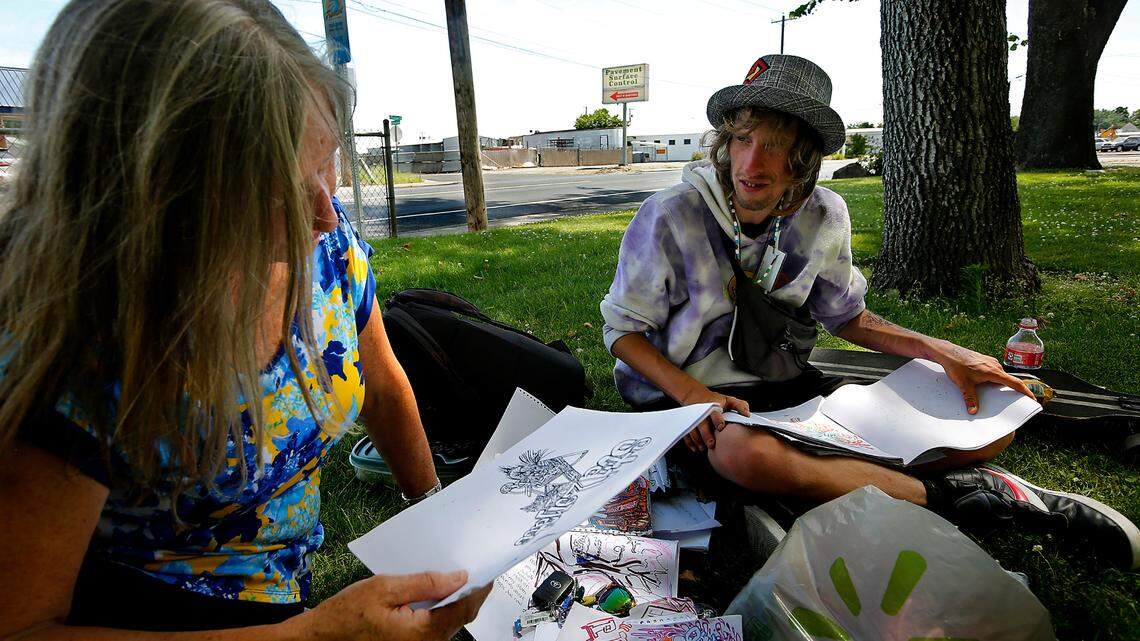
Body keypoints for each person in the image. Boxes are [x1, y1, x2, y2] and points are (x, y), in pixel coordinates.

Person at [0, 0, 488, 637]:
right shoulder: (80, 346)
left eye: (325, 161)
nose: (325, 212)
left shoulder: (329, 251)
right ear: (152, 198)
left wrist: (432, 513)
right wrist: (310, 636)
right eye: (274, 186)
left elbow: (382, 381)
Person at [600, 54, 1139, 570]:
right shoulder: (670, 215)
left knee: (993, 419)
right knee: (743, 457)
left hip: (786, 390)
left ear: (805, 158)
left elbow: (847, 317)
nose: (753, 164)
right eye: (743, 140)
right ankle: (962, 494)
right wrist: (693, 398)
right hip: (687, 403)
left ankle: (811, 483)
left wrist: (944, 352)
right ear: (726, 141)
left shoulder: (825, 214)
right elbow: (623, 334)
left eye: (777, 145)